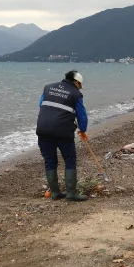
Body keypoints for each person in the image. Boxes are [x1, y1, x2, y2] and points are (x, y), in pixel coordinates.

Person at [36, 69, 89, 201]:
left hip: (43, 129)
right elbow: (82, 116)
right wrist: (82, 130)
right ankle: (71, 193)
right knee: (70, 159)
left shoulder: (48, 88)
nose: (80, 88)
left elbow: (41, 104)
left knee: (50, 161)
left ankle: (55, 193)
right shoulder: (76, 94)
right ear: (76, 82)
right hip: (63, 131)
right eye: (80, 85)